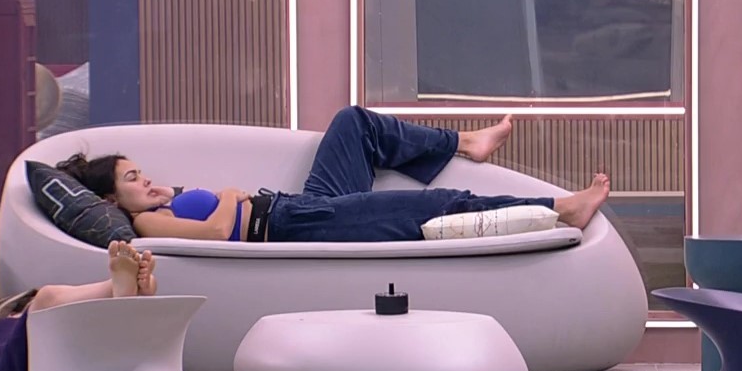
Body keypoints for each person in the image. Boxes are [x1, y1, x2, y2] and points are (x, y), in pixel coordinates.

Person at [57, 107, 611, 243]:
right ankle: (560, 210)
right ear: (111, 200)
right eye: (133, 180)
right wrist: (227, 195)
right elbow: (216, 234)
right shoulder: (145, 227)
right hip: (296, 227)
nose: (147, 182)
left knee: (354, 123)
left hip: (295, 206)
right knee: (428, 205)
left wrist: (173, 193)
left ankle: (465, 142)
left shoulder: (158, 205)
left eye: (142, 173)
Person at [0, 242, 158, 371]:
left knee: (54, 304)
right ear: (14, 312)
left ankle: (120, 297)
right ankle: (116, 291)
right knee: (47, 298)